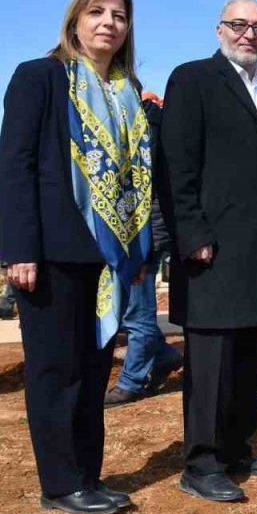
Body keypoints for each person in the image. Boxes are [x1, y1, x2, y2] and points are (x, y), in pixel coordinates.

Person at [0, 0, 153, 514]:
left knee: (92, 372)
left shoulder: (127, 90)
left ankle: (88, 474)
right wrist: (19, 249)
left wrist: (135, 251)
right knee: (54, 370)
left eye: (119, 15)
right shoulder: (40, 77)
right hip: (50, 253)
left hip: (106, 259)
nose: (109, 22)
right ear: (75, 21)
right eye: (97, 12)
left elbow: (136, 176)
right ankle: (60, 484)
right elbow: (14, 167)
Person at [159, 0, 257, 502]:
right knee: (211, 357)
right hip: (211, 248)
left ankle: (237, 447)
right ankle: (201, 463)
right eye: (239, 25)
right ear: (219, 29)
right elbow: (176, 163)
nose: (249, 35)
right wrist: (191, 234)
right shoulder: (193, 79)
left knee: (246, 353)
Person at [103, 90, 184, 406]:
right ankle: (163, 354)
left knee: (138, 308)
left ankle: (132, 380)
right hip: (125, 222)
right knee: (122, 307)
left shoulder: (148, 119)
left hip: (147, 223)